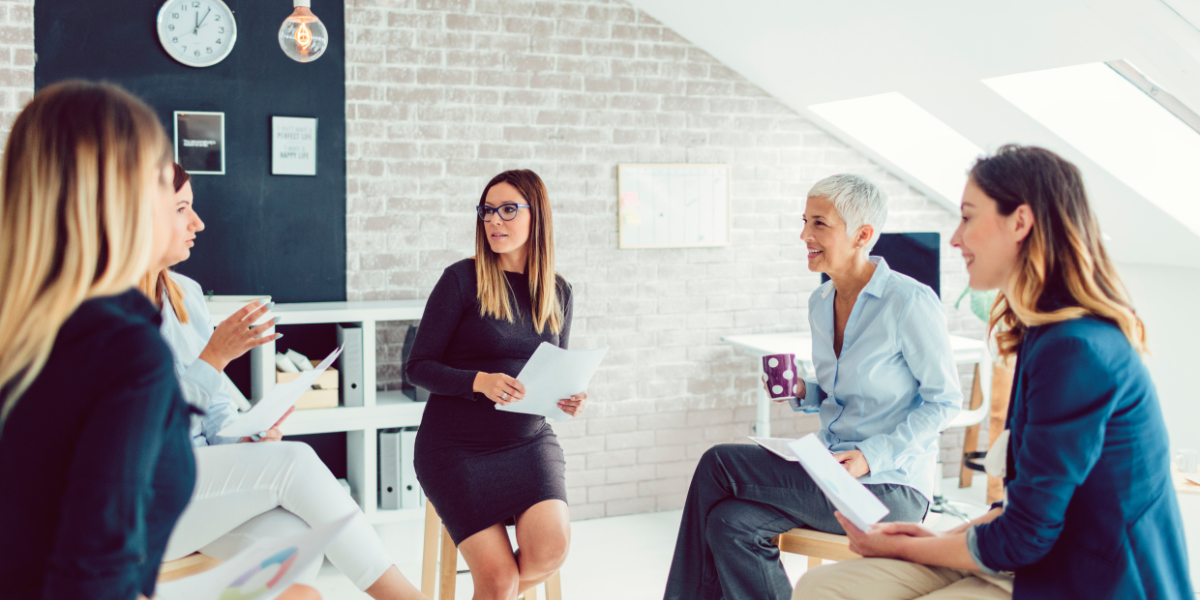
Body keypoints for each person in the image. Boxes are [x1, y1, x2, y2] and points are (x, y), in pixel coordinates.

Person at [793, 145, 1194, 599]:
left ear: (1019, 222)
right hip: (1031, 552)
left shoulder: (1077, 349)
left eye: (967, 217)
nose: (955, 238)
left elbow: (1026, 535)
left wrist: (921, 549)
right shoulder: (1042, 333)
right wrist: (935, 540)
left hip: (1089, 579)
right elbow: (1021, 508)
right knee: (821, 587)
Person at [663, 174, 963, 600]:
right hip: (831, 472)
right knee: (730, 523)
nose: (804, 234)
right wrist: (806, 391)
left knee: (719, 463)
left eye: (819, 223)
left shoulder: (909, 303)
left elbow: (945, 402)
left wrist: (869, 456)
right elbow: (846, 395)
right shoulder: (820, 304)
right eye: (805, 221)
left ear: (862, 235)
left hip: (890, 487)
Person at [145, 164, 429, 600]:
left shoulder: (187, 293)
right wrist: (214, 358)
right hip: (145, 497)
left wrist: (243, 440)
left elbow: (216, 410)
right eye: (182, 208)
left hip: (200, 489)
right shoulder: (103, 310)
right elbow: (141, 433)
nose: (197, 223)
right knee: (295, 463)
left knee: (297, 536)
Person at [0, 80, 195, 600]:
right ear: (123, 201)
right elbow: (91, 581)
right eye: (163, 184)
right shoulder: (124, 353)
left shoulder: (23, 330)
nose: (183, 212)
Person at [407, 169, 586, 600]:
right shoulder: (460, 280)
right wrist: (478, 382)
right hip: (455, 450)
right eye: (487, 211)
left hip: (528, 442)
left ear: (536, 216)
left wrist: (569, 397)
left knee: (551, 550)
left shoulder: (559, 292)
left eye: (508, 210)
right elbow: (418, 367)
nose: (494, 221)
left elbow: (553, 370)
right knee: (499, 579)